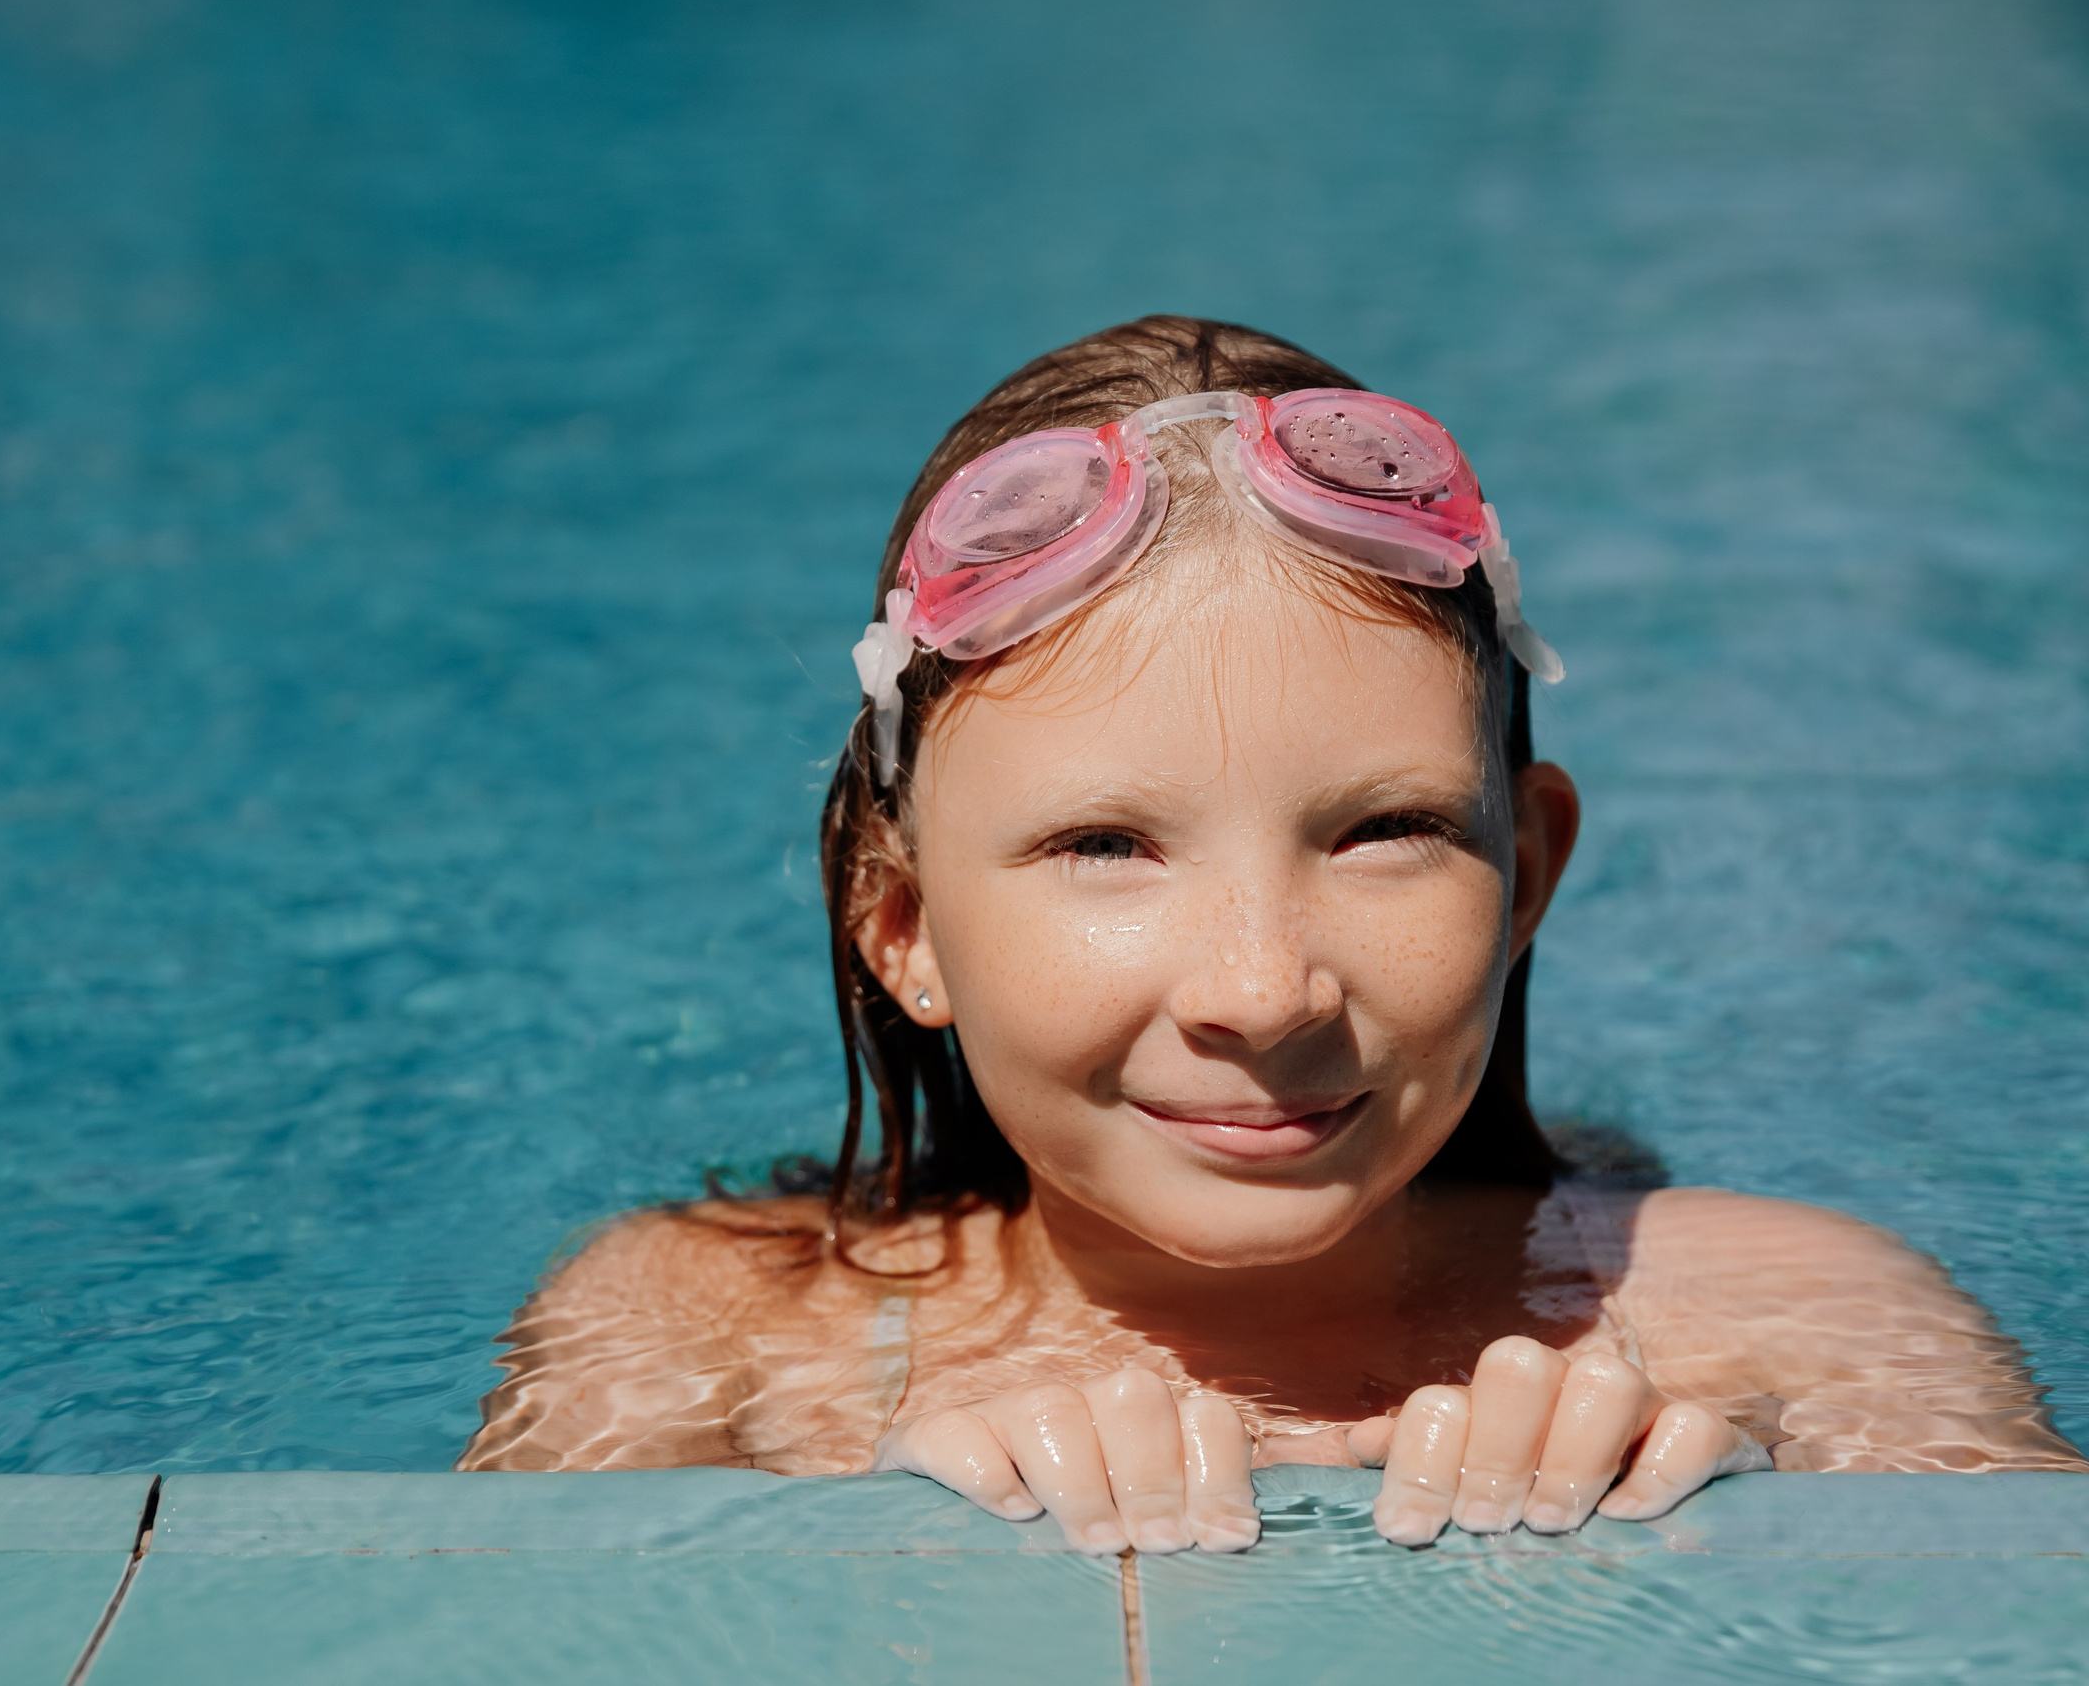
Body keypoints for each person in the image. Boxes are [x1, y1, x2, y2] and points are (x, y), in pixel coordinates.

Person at [459, 316, 2082, 1552]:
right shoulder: (705, 1332)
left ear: (1528, 868)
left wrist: (1753, 1529)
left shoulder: (1795, 1327)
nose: (1261, 988)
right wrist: (871, 1544)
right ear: (904, 925)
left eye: (1385, 832)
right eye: (1106, 844)